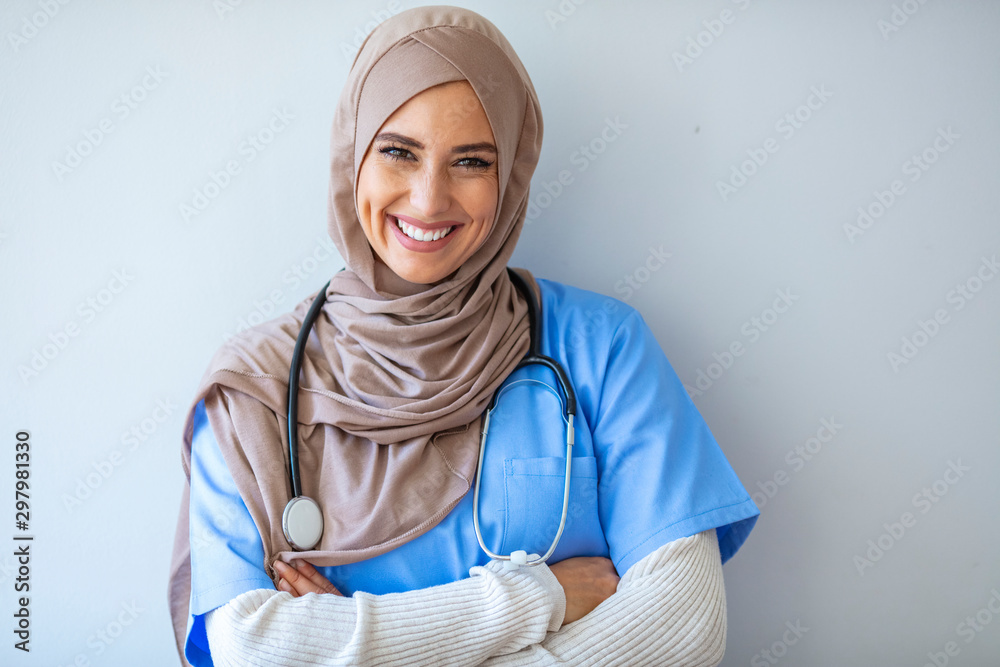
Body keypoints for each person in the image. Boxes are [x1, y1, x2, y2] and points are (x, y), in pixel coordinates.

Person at [168, 6, 759, 666]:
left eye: (472, 161)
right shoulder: (255, 389)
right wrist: (536, 598)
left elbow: (684, 626)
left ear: (510, 179)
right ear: (351, 155)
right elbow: (253, 648)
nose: (428, 199)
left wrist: (351, 645)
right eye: (398, 151)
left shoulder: (602, 347)